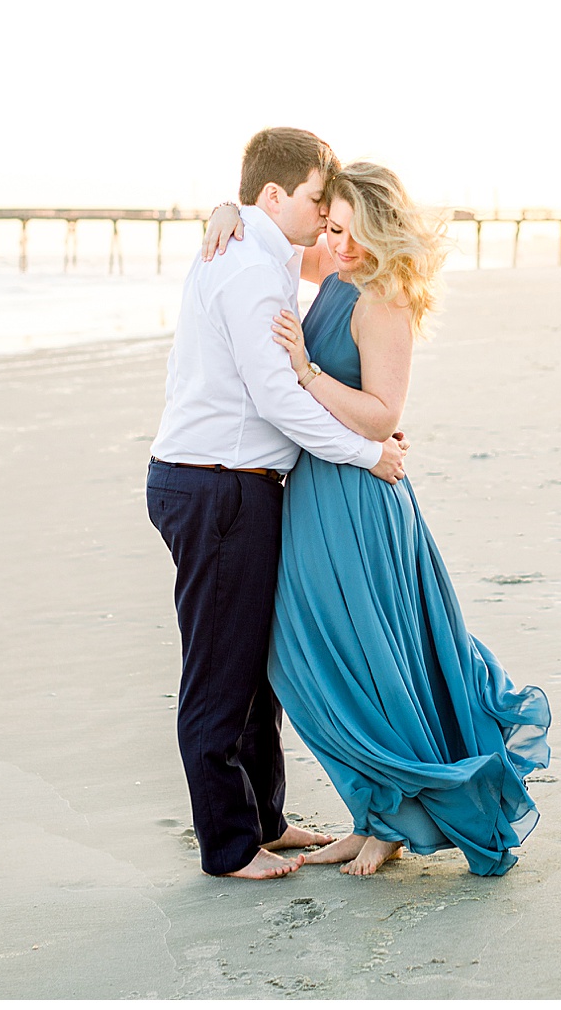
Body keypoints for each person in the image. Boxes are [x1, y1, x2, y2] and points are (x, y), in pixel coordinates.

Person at [201, 161, 550, 877]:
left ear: (381, 228)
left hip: (359, 499)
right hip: (314, 497)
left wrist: (305, 372)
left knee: (369, 658)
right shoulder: (334, 273)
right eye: (332, 229)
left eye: (351, 232)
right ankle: (370, 812)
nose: (338, 243)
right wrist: (225, 212)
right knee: (302, 659)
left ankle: (391, 820)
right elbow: (269, 241)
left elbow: (383, 413)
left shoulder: (384, 297)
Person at [147, 127, 407, 882]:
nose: (326, 211)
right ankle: (229, 847)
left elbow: (336, 255)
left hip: (228, 481)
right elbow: (278, 396)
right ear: (275, 198)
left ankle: (266, 816)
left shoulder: (261, 250)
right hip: (218, 482)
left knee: (255, 668)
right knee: (221, 672)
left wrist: (223, 206)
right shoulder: (251, 270)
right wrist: (368, 453)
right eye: (317, 197)